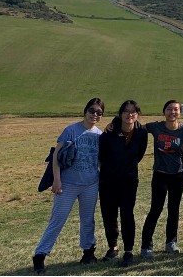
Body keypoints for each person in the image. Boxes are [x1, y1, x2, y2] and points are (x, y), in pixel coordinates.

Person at [32, 98, 105, 274]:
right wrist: (57, 180)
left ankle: (88, 252)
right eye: (92, 110)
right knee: (58, 219)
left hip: (90, 183)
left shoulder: (99, 135)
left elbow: (101, 160)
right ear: (85, 111)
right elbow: (56, 157)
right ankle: (40, 255)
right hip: (68, 183)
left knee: (88, 220)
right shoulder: (71, 130)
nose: (94, 114)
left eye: (99, 112)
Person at [99, 100, 148, 267]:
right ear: (120, 114)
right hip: (108, 180)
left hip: (129, 180)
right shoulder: (110, 132)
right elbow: (102, 155)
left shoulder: (142, 132)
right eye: (126, 111)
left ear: (137, 114)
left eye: (133, 111)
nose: (130, 114)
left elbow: (139, 155)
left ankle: (128, 250)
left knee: (127, 214)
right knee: (109, 215)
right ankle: (113, 247)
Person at [140, 100, 183, 258]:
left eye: (176, 109)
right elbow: (137, 127)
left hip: (178, 174)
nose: (172, 112)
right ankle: (146, 246)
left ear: (180, 113)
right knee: (156, 209)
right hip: (160, 174)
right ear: (164, 112)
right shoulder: (156, 127)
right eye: (169, 109)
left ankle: (171, 242)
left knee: (174, 209)